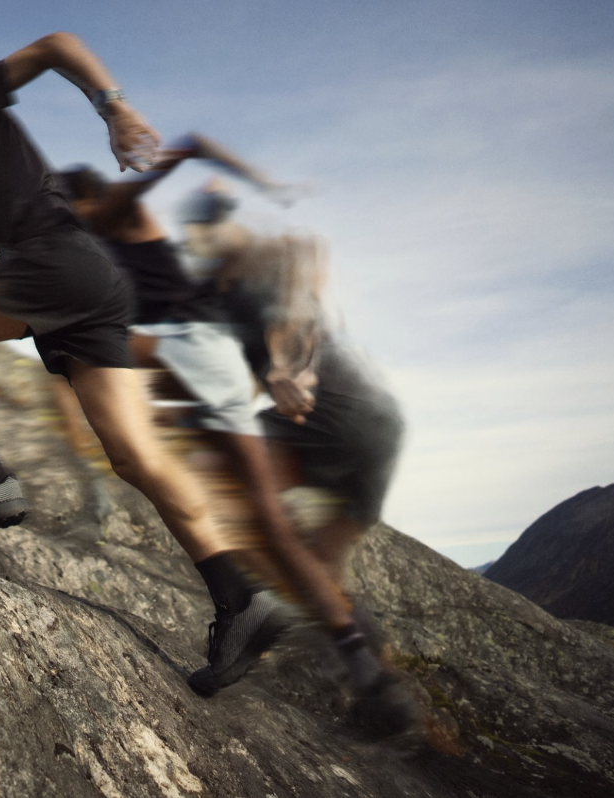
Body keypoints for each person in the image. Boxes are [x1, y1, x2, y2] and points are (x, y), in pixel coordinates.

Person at [0, 32, 280, 688]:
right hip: (79, 287)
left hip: (59, 263)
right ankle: (242, 601)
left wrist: (115, 109)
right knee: (136, 458)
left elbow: (56, 47)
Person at [56, 137, 307, 695]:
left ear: (85, 199)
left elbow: (191, 143)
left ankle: (256, 603)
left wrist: (262, 181)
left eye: (67, 209)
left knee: (89, 357)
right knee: (240, 491)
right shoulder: (101, 232)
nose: (64, 222)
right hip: (199, 351)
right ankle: (250, 603)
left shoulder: (114, 208)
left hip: (190, 342)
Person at [179, 182, 419, 735]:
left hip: (333, 406)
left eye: (217, 223)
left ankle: (252, 615)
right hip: (380, 420)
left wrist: (289, 363)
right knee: (322, 566)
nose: (211, 236)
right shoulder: (216, 295)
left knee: (225, 481)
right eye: (205, 227)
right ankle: (376, 687)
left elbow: (301, 266)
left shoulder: (268, 257)